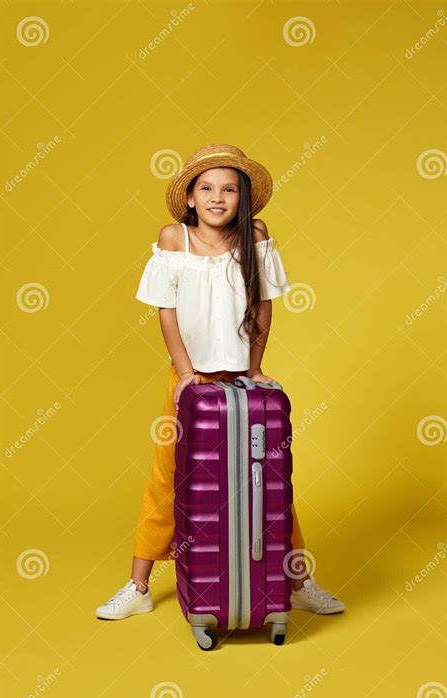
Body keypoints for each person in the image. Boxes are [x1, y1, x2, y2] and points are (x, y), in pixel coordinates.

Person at [95, 144, 346, 621]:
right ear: (189, 197)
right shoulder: (174, 239)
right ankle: (139, 584)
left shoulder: (254, 235)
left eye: (228, 189)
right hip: (192, 380)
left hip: (241, 381)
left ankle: (297, 581)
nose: (217, 198)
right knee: (169, 476)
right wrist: (186, 374)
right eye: (206, 188)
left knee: (270, 480)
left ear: (242, 197)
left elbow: (264, 305)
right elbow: (166, 313)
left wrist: (253, 367)